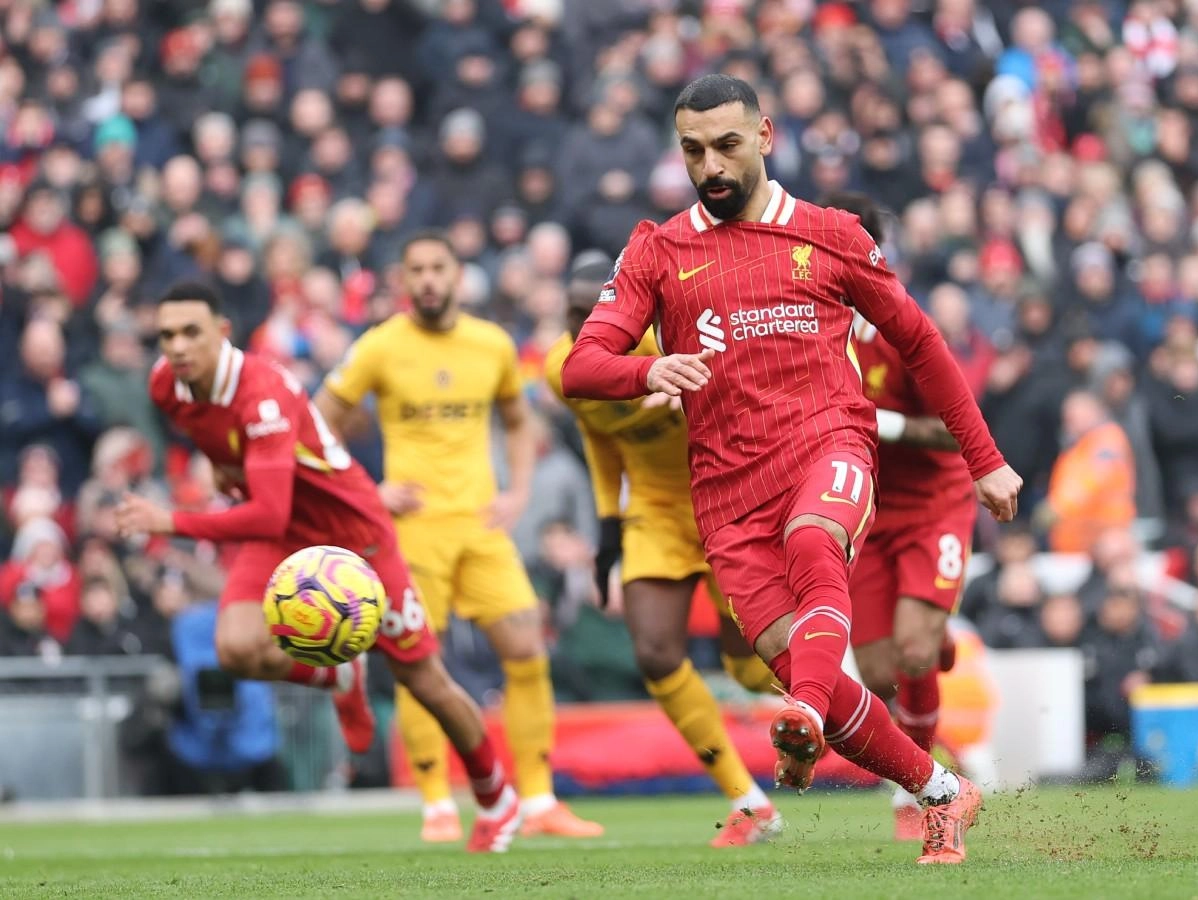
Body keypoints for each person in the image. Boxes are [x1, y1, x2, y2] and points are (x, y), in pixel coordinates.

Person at [560, 75, 1022, 865]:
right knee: (824, 674)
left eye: (728, 145)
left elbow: (921, 342)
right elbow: (582, 365)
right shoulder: (657, 249)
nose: (712, 165)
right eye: (694, 150)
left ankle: (804, 716)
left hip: (828, 446)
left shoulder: (832, 234)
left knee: (815, 547)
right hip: (726, 495)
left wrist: (986, 459)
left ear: (766, 136)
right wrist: (648, 371)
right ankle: (944, 794)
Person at [116, 282, 520, 853]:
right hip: (283, 531)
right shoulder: (166, 385)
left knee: (424, 680)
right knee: (234, 648)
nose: (178, 347)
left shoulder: (263, 394)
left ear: (222, 333)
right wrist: (225, 466)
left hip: (354, 538)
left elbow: (266, 511)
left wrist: (172, 521)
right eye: (167, 335)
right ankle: (338, 673)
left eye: (191, 333)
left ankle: (496, 796)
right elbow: (215, 443)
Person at [314, 231, 602, 842]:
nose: (426, 280)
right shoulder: (379, 347)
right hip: (412, 533)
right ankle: (437, 805)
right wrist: (367, 488)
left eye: (437, 268)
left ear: (456, 274)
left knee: (526, 649)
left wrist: (517, 492)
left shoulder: (491, 344)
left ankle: (540, 800)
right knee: (423, 664)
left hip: (480, 526)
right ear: (403, 280)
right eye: (415, 269)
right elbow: (320, 421)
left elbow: (519, 420)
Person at [545, 256, 782, 847]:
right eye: (571, 315)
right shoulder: (563, 368)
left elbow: (758, 397)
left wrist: (698, 395)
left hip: (727, 499)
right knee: (654, 653)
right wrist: (606, 526)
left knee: (752, 669)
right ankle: (749, 803)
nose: (582, 327)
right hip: (654, 511)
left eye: (592, 312)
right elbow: (600, 437)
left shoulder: (677, 336)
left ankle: (892, 726)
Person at [824, 192, 977, 841]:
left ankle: (916, 798)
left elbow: (955, 431)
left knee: (911, 655)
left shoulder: (903, 326)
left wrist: (876, 421)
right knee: (883, 671)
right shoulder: (803, 328)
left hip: (934, 504)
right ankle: (931, 634)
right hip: (869, 512)